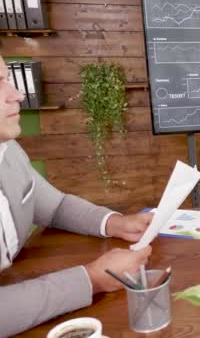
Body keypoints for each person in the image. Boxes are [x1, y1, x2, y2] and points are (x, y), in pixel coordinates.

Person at [0, 55, 154, 337]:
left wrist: (115, 223)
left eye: (8, 80)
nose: (18, 95)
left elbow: (55, 206)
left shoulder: (8, 150)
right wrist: (92, 279)